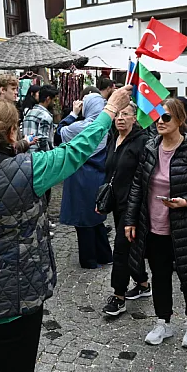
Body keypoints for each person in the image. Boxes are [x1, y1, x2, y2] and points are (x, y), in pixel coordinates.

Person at [0, 86, 133, 372]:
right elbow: (78, 149)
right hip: (16, 297)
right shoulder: (33, 169)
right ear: (13, 131)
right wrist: (110, 110)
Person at [124, 98, 187, 350]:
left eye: (166, 117)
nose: (160, 122)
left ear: (180, 120)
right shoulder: (151, 147)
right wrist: (131, 219)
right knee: (160, 275)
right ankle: (162, 321)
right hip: (154, 226)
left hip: (186, 226)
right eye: (157, 117)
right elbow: (138, 185)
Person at [101, 102, 151, 317]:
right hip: (118, 203)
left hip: (134, 205)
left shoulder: (142, 142)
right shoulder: (114, 138)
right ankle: (143, 283)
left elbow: (144, 176)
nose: (120, 118)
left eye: (126, 114)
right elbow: (110, 172)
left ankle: (118, 296)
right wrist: (104, 199)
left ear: (134, 118)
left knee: (121, 249)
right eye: (118, 114)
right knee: (130, 246)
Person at [58, 93, 114, 269]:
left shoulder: (81, 126)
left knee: (83, 221)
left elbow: (59, 133)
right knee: (96, 219)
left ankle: (89, 260)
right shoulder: (105, 126)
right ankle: (105, 255)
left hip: (81, 178)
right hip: (98, 176)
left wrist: (73, 114)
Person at [23, 85, 60, 235]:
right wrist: (50, 158)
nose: (55, 103)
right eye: (54, 100)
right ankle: (42, 224)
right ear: (48, 99)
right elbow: (44, 139)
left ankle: (40, 222)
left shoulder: (30, 112)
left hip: (27, 156)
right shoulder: (45, 115)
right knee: (44, 194)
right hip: (40, 158)